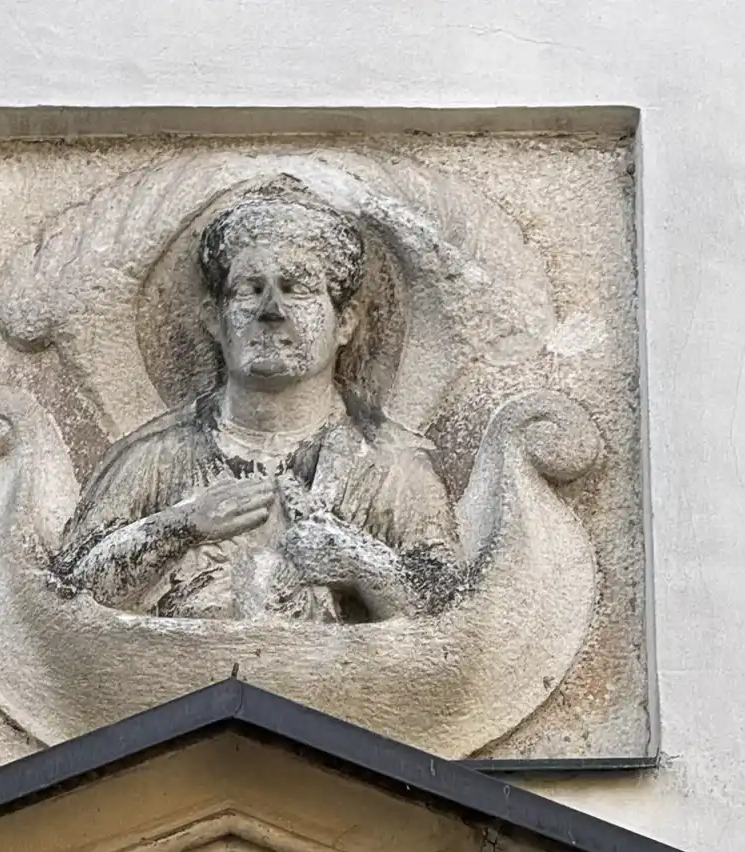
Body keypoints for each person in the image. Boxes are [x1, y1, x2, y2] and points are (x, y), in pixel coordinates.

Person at [52, 181, 468, 622]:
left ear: (344, 323)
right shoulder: (154, 460)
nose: (272, 310)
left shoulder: (392, 468)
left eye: (297, 288)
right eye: (250, 289)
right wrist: (182, 525)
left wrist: (357, 561)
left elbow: (449, 614)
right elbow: (70, 596)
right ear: (215, 319)